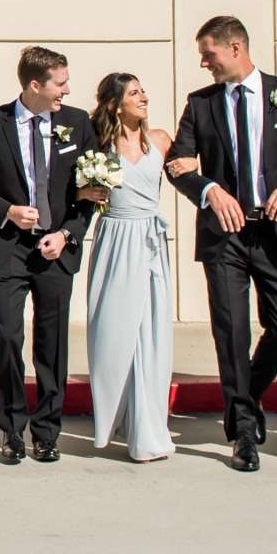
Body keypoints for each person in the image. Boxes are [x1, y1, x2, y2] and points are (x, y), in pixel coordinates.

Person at [165, 15, 277, 473]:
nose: (203, 63)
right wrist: (209, 191)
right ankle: (241, 433)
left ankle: (246, 396)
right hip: (225, 236)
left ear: (235, 48)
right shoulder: (200, 105)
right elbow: (177, 163)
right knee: (232, 332)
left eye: (209, 54)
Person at [0, 46, 95, 464]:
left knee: (51, 343)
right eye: (60, 83)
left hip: (56, 250)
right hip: (8, 248)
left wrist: (68, 234)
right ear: (34, 85)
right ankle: (11, 429)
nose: (66, 90)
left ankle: (47, 431)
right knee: (10, 336)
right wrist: (7, 211)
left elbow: (91, 191)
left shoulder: (77, 123)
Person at [76, 71, 174, 464]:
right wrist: (83, 192)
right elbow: (71, 189)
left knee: (152, 333)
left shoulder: (161, 141)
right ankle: (111, 418)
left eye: (143, 90)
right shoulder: (99, 145)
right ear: (115, 104)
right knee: (113, 333)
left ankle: (148, 430)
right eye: (135, 93)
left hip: (151, 238)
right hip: (115, 238)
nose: (144, 97)